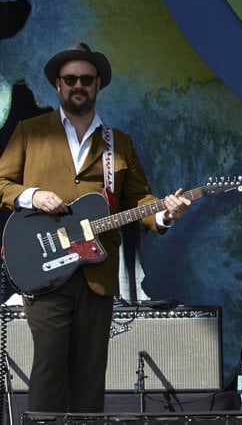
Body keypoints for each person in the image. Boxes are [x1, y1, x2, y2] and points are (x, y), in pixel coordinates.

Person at [0, 43, 191, 413]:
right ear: (57, 84)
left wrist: (166, 213)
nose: (78, 85)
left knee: (89, 374)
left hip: (97, 272)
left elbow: (139, 200)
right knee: (49, 367)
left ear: (98, 84)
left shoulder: (117, 143)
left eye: (86, 79)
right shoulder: (30, 130)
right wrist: (33, 195)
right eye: (70, 79)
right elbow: (2, 182)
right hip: (45, 268)